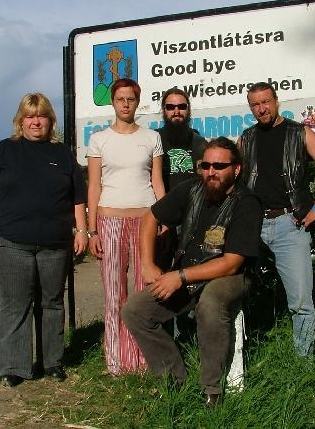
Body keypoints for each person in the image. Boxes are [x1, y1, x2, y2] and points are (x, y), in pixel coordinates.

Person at [122, 137, 261, 407]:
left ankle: (212, 390)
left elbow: (232, 263)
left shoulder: (247, 202)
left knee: (210, 301)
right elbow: (150, 217)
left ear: (236, 169)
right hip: (188, 273)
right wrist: (147, 263)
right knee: (134, 311)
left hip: (232, 276)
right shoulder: (192, 189)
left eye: (220, 166)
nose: (211, 172)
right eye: (206, 165)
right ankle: (174, 380)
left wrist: (179, 277)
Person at [0, 92, 88, 388]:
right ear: (20, 120)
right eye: (29, 116)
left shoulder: (63, 154)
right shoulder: (4, 150)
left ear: (50, 121)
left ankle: (52, 361)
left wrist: (81, 230)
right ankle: (13, 367)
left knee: (52, 303)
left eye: (41, 116)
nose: (35, 121)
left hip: (55, 242)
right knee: (16, 303)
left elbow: (78, 197)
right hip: (12, 240)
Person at [238, 82, 315, 358]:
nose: (262, 109)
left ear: (276, 101)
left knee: (300, 303)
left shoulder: (300, 133)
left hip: (290, 224)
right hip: (253, 226)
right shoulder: (246, 139)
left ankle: (303, 367)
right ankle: (242, 358)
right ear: (251, 108)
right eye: (255, 105)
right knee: (236, 293)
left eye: (266, 102)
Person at [86, 77, 165, 376]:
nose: (126, 104)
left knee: (143, 289)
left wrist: (164, 216)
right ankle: (117, 360)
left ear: (137, 101)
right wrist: (92, 230)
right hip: (110, 219)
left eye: (131, 99)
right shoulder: (99, 139)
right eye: (120, 99)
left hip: (145, 218)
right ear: (113, 102)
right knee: (113, 291)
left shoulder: (151, 137)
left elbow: (157, 182)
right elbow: (94, 186)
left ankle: (143, 359)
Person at [155, 87, 207, 271]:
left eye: (181, 106)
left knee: (188, 273)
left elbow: (205, 183)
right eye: (170, 107)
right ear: (163, 110)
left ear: (188, 109)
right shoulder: (154, 139)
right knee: (159, 276)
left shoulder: (200, 142)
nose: (176, 111)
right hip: (162, 220)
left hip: (191, 220)